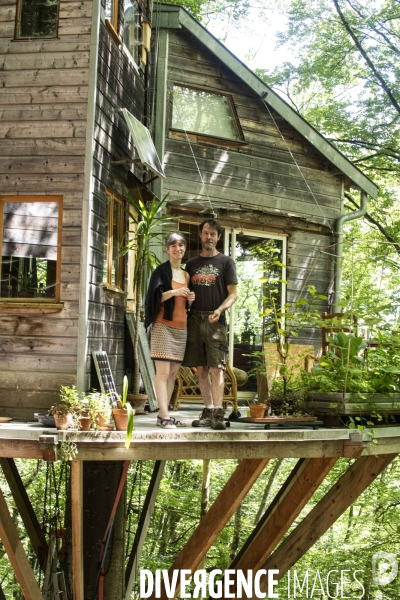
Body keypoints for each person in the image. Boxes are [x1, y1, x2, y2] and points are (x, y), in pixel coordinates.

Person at [183, 218, 238, 430]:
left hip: (216, 320)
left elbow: (233, 294)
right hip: (194, 319)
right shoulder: (191, 264)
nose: (209, 237)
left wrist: (220, 309)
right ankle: (207, 411)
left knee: (217, 368)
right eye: (206, 233)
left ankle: (218, 414)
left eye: (213, 234)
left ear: (218, 237)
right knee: (201, 369)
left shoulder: (226, 262)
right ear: (200, 234)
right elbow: (186, 292)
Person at [145, 232, 195, 428]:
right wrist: (174, 292)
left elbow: (186, 306)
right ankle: (164, 415)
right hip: (162, 327)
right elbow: (152, 298)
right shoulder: (160, 271)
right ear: (167, 249)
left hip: (181, 329)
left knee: (173, 374)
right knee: (163, 374)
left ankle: (162, 416)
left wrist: (191, 300)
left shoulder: (186, 275)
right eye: (173, 246)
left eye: (181, 245)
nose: (178, 249)